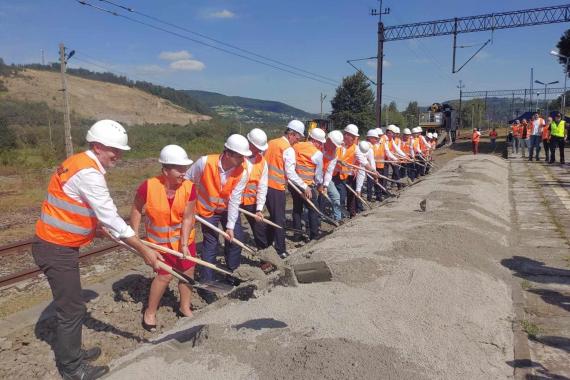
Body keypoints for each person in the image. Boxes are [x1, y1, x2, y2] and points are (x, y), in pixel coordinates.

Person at [32, 120, 162, 380]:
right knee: (72, 310)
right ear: (97, 146)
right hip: (57, 247)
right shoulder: (89, 173)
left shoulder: (80, 162)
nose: (119, 155)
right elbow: (111, 217)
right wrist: (143, 250)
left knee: (73, 307)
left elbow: (75, 205)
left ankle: (74, 354)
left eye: (120, 149)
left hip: (58, 243)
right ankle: (72, 368)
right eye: (114, 149)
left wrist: (95, 228)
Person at [130, 145, 195, 330]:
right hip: (159, 243)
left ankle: (184, 307)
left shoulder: (189, 188)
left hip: (184, 240)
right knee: (164, 276)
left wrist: (183, 245)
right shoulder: (148, 186)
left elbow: (188, 218)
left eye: (185, 168)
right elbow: (136, 208)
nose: (184, 173)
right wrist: (134, 235)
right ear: (165, 170)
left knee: (187, 272)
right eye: (179, 169)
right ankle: (150, 312)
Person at [185, 134, 251, 303]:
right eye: (240, 156)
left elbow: (236, 199)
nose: (243, 159)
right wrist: (189, 205)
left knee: (236, 238)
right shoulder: (205, 162)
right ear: (228, 154)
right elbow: (187, 180)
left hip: (228, 209)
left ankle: (232, 273)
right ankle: (207, 283)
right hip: (207, 211)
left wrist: (229, 226)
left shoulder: (243, 171)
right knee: (211, 243)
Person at [264, 120, 308, 259]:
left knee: (273, 216)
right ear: (291, 134)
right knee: (280, 219)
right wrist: (304, 186)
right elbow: (290, 173)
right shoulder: (288, 149)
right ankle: (280, 250)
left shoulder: (271, 142)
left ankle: (267, 241)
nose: (297, 141)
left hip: (264, 185)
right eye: (297, 137)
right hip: (276, 188)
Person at [292, 128, 325, 240]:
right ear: (315, 141)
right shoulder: (317, 153)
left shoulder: (296, 146)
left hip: (294, 183)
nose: (321, 145)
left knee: (297, 208)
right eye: (320, 143)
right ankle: (314, 235)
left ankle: (297, 234)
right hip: (306, 186)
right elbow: (318, 174)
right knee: (313, 209)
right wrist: (319, 184)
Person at [241, 128, 269, 250]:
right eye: (257, 147)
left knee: (259, 227)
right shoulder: (237, 156)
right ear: (249, 143)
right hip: (233, 200)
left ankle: (265, 256)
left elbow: (262, 186)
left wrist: (259, 208)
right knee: (233, 231)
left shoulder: (262, 162)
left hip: (250, 202)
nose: (259, 151)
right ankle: (231, 264)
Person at [333, 124, 369, 218]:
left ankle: (349, 213)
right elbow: (330, 156)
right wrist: (337, 160)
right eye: (352, 137)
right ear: (346, 135)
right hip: (335, 175)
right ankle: (339, 216)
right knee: (340, 196)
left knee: (348, 195)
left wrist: (372, 170)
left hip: (347, 176)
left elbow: (363, 161)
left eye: (354, 138)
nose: (354, 140)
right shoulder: (337, 144)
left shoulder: (355, 148)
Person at [320, 130, 344, 221]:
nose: (335, 147)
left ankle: (338, 219)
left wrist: (325, 185)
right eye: (334, 145)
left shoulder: (334, 153)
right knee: (317, 197)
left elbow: (329, 171)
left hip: (325, 176)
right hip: (313, 176)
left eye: (336, 146)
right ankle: (317, 217)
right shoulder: (318, 147)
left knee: (335, 195)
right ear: (328, 140)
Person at [366, 129, 382, 202]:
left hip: (368, 167)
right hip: (366, 168)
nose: (377, 140)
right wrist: (374, 172)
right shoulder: (368, 147)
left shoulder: (369, 145)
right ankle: (368, 198)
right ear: (370, 138)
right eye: (375, 138)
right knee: (369, 183)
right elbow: (371, 161)